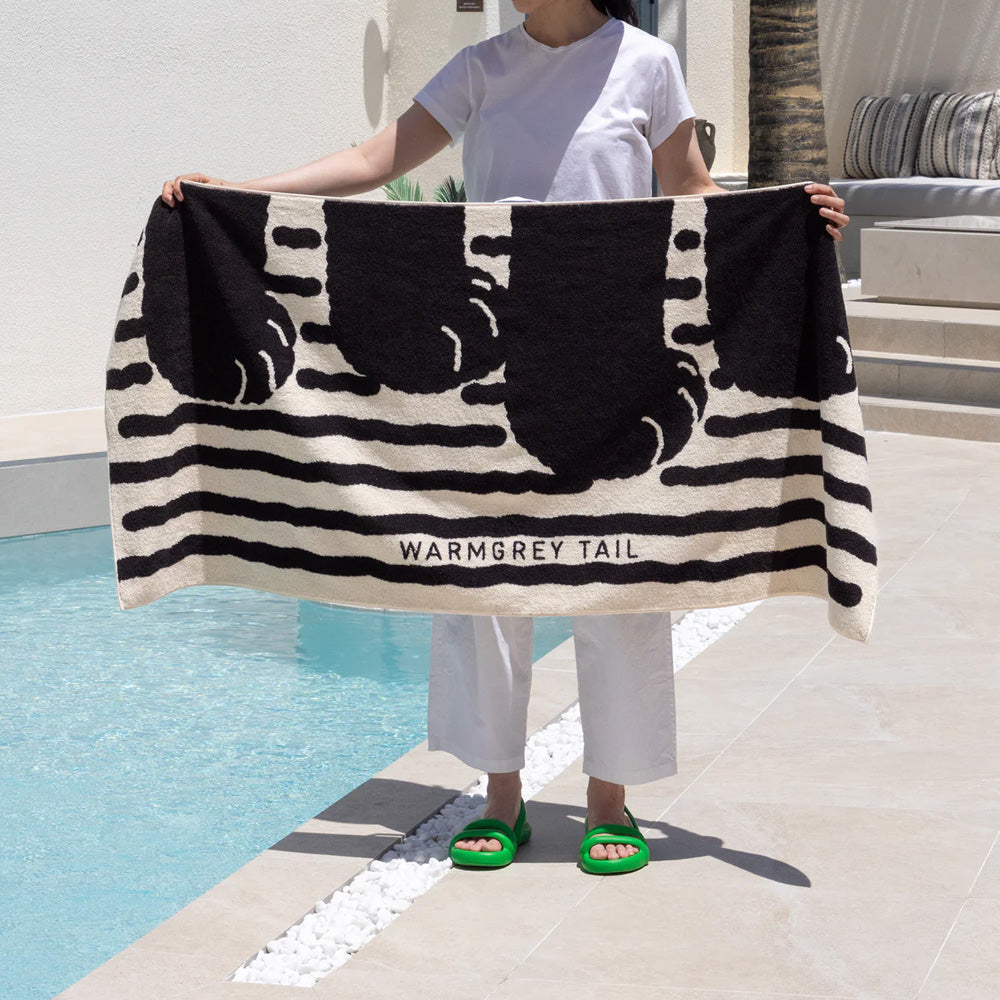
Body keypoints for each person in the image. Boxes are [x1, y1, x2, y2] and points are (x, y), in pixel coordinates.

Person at [162, 0, 849, 874]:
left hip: (620, 349)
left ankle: (610, 802)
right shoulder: (481, 67)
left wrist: (789, 218)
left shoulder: (646, 63)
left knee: (623, 574)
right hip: (498, 362)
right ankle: (501, 798)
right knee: (481, 570)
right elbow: (376, 159)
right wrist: (241, 193)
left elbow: (691, 192)